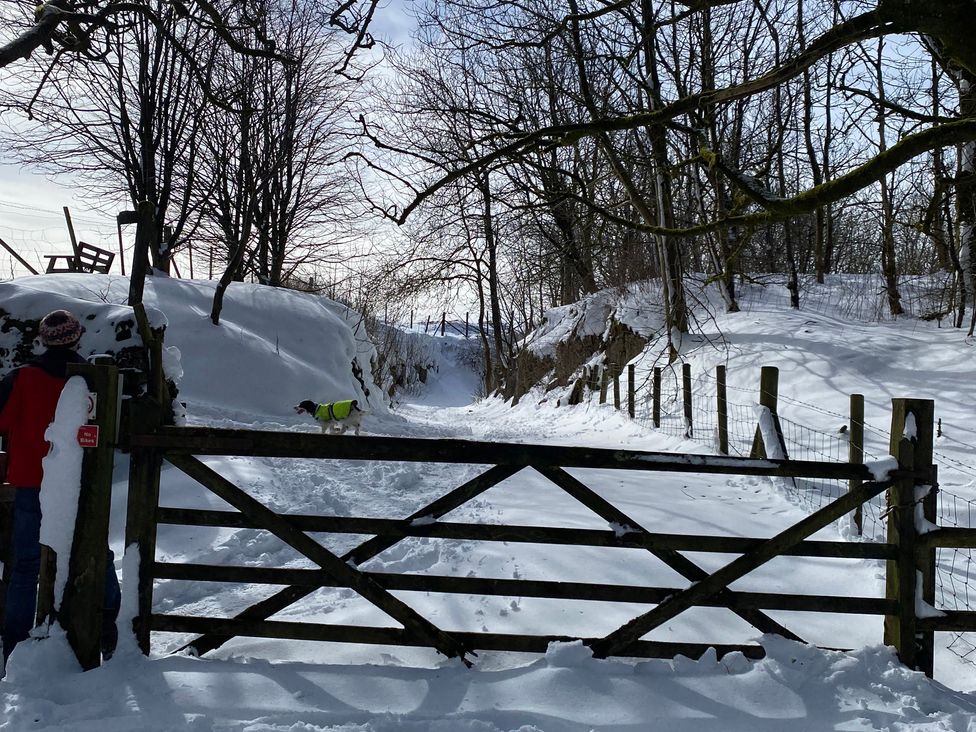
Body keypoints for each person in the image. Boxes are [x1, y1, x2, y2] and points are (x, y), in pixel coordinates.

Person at [0, 309, 121, 671]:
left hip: (31, 482)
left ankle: (14, 647)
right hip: (80, 482)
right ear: (77, 338)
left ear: (43, 339)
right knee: (95, 553)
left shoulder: (21, 378)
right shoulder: (94, 378)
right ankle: (109, 629)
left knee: (24, 566)